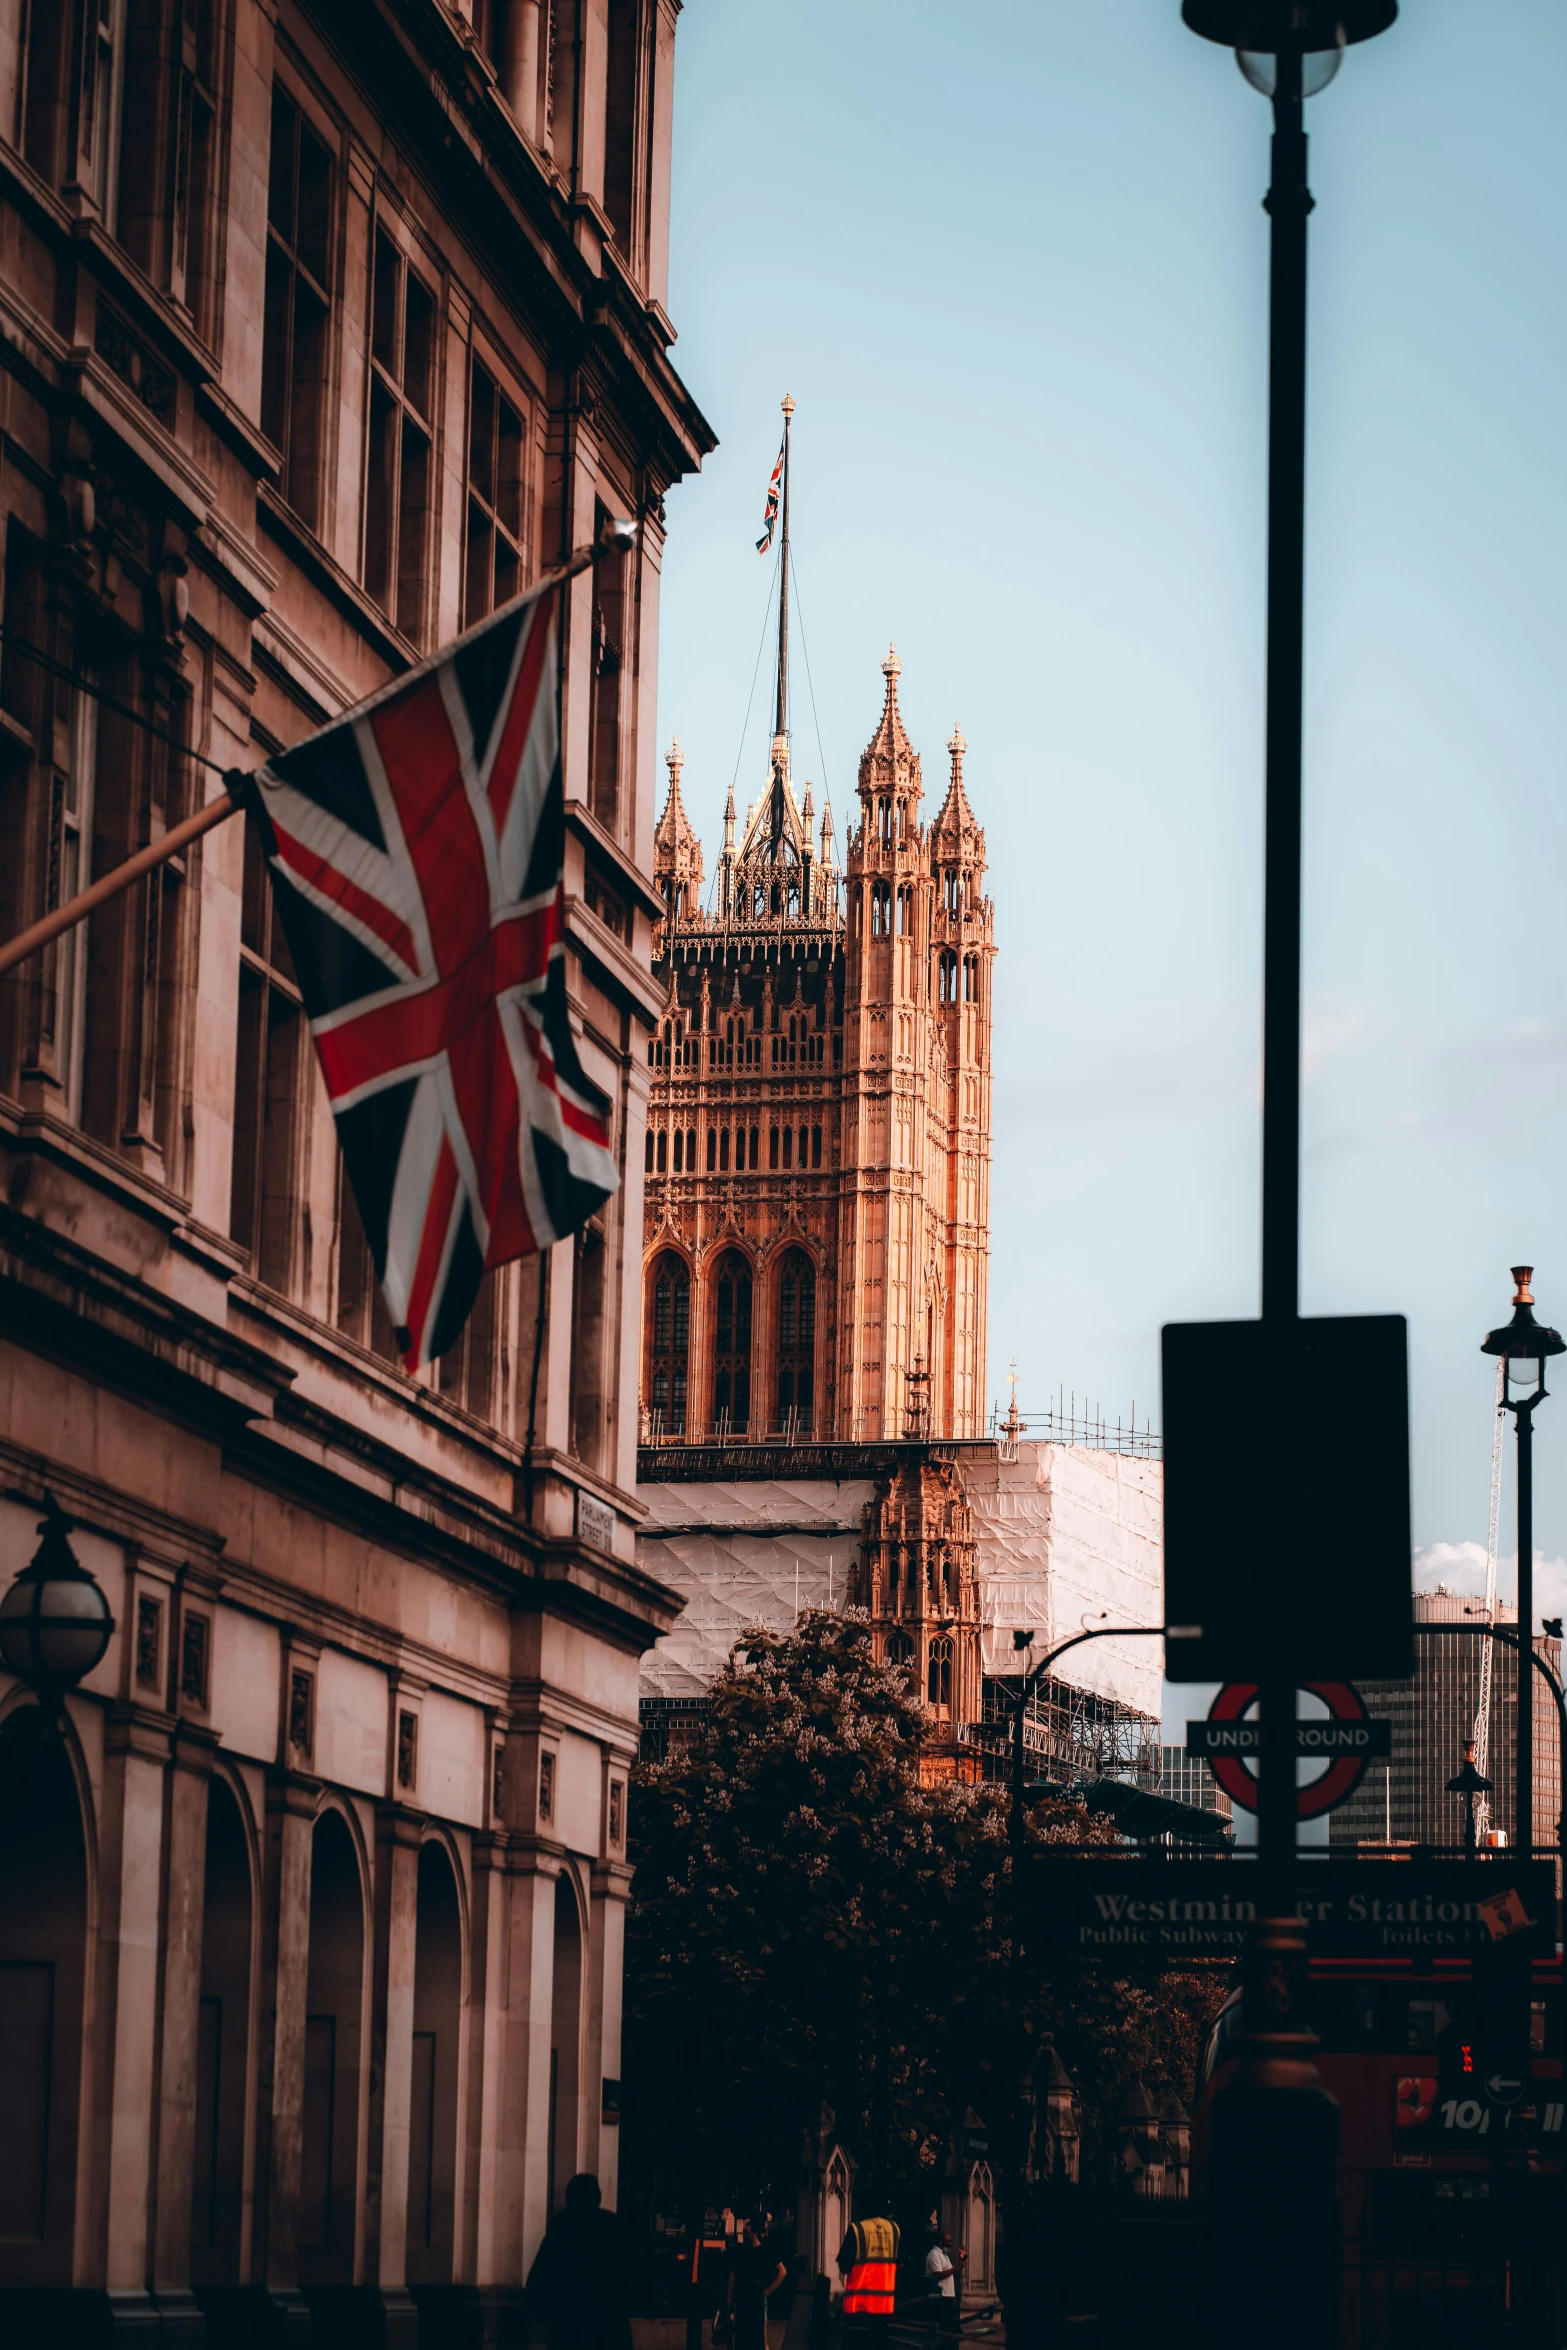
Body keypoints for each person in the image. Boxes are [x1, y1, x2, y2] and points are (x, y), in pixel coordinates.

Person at [526, 2172, 635, 2350]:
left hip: (568, 2328)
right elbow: (630, 2276)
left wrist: (551, 2314)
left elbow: (538, 2282)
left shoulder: (561, 2230)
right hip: (608, 2327)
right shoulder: (614, 2229)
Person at [838, 2207, 901, 2344]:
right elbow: (901, 2263)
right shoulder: (894, 2229)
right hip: (884, 2306)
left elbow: (843, 2265)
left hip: (859, 2305)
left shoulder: (857, 2230)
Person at [728, 2213, 788, 2350]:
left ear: (754, 2233)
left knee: (760, 2338)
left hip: (756, 2298)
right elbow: (733, 2275)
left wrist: (768, 2290)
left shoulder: (765, 2251)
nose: (743, 2235)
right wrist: (730, 2298)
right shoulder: (743, 2251)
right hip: (745, 2298)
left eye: (746, 2232)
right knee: (745, 2337)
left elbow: (783, 2271)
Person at [923, 2226, 959, 2338]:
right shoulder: (934, 2255)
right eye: (948, 2241)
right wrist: (956, 2268)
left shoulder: (944, 2256)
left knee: (946, 2325)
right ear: (940, 2242)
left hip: (948, 2295)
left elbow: (950, 2272)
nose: (950, 2243)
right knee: (941, 2325)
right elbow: (937, 2275)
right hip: (941, 2295)